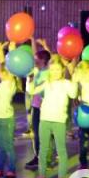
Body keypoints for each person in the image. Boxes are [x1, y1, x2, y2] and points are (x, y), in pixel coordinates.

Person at [27, 58, 77, 178]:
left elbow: (73, 93)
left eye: (57, 69)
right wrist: (29, 79)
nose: (55, 72)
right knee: (43, 150)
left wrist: (73, 78)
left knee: (61, 150)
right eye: (52, 69)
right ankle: (41, 175)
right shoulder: (46, 83)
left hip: (59, 120)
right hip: (45, 120)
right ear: (49, 70)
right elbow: (31, 91)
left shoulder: (66, 83)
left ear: (62, 70)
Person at [0, 55, 18, 178]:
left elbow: (11, 70)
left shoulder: (10, 83)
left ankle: (12, 170)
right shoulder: (2, 83)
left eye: (0, 71)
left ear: (6, 72)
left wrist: (11, 51)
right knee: (1, 146)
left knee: (9, 146)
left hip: (6, 119)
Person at [24, 39, 50, 170]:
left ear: (44, 61)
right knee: (36, 133)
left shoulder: (48, 72)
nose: (34, 61)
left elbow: (49, 58)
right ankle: (38, 156)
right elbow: (36, 53)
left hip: (45, 107)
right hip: (36, 106)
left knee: (44, 134)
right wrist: (32, 40)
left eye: (37, 60)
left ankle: (46, 158)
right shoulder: (36, 70)